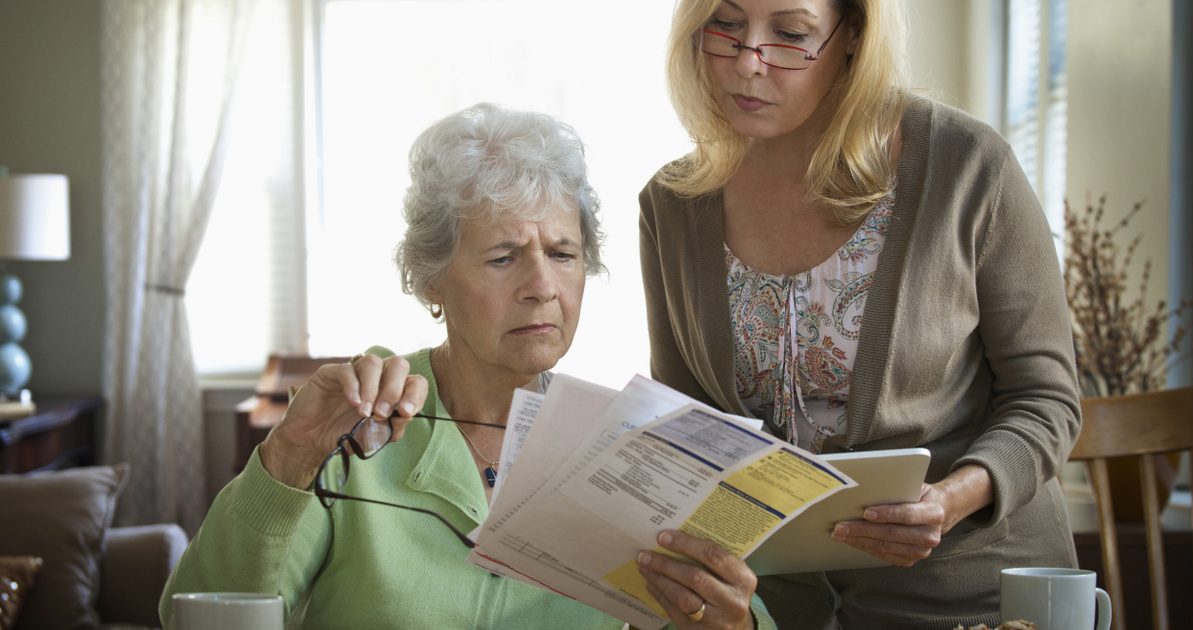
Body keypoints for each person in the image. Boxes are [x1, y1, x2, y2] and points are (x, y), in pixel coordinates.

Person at [160, 103, 772, 629]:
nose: (542, 286)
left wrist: (732, 620)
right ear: (432, 280)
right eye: (504, 257)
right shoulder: (359, 420)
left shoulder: (635, 447)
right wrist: (290, 456)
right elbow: (205, 615)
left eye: (563, 253)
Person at [639, 1, 1081, 628]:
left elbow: (1047, 399)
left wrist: (952, 500)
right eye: (726, 26)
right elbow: (688, 419)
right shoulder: (673, 203)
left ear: (852, 36)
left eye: (790, 35)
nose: (747, 62)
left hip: (978, 598)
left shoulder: (968, 167)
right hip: (770, 608)